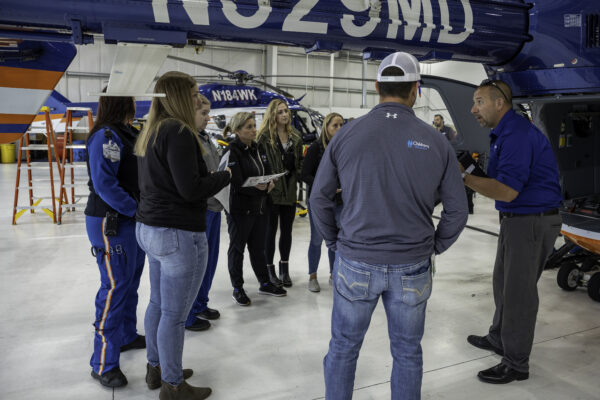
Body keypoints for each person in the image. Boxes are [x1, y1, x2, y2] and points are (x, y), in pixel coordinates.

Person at [310, 52, 468, 400]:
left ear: (377, 86)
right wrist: (434, 245)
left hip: (355, 260)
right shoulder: (437, 141)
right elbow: (458, 211)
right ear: (417, 90)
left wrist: (337, 243)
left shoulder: (345, 135)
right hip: (412, 264)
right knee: (408, 352)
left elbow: (318, 199)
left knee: (343, 348)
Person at [135, 71, 231, 400]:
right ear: (178, 96)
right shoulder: (178, 131)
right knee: (174, 315)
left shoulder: (152, 130)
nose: (197, 99)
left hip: (150, 228)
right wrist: (225, 176)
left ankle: (156, 367)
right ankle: (173, 385)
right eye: (193, 94)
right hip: (176, 232)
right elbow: (190, 189)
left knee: (158, 305)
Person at [464, 79, 562, 384]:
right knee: (502, 283)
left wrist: (463, 178)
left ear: (499, 102)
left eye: (479, 102)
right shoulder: (504, 133)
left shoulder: (517, 135)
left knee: (518, 293)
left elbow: (506, 191)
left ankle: (516, 363)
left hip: (530, 220)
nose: (473, 109)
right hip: (517, 219)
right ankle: (499, 337)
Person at [85, 94, 146, 388]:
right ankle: (102, 363)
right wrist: (136, 210)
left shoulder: (129, 133)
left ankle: (126, 335)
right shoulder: (106, 135)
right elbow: (105, 184)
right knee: (115, 285)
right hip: (111, 221)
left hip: (130, 219)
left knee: (130, 281)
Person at [225, 112, 287, 305]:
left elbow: (266, 170)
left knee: (258, 248)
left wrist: (269, 182)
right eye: (248, 127)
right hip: (240, 210)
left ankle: (264, 283)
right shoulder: (232, 151)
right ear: (237, 130)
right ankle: (238, 288)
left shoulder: (258, 148)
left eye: (254, 126)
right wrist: (254, 187)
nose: (253, 130)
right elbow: (235, 181)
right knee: (237, 249)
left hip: (260, 207)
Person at [184, 94, 224, 332]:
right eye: (203, 114)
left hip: (215, 205)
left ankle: (200, 303)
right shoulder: (188, 140)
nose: (208, 118)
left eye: (209, 113)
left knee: (209, 262)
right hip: (202, 208)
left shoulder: (205, 137)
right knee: (196, 264)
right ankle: (188, 313)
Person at [257, 99, 304, 287]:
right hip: (271, 192)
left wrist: (298, 171)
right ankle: (269, 270)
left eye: (286, 111)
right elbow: (260, 166)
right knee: (270, 232)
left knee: (287, 231)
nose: (285, 114)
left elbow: (300, 165)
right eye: (280, 112)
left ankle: (284, 268)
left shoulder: (297, 137)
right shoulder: (263, 138)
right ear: (272, 115)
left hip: (290, 191)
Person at [300, 112, 344, 292]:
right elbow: (304, 175)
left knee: (335, 239)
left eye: (342, 125)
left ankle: (334, 274)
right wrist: (325, 188)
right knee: (317, 239)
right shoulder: (315, 148)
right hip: (319, 201)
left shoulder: (345, 148)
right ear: (326, 127)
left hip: (340, 201)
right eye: (335, 125)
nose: (339, 129)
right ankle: (312, 276)